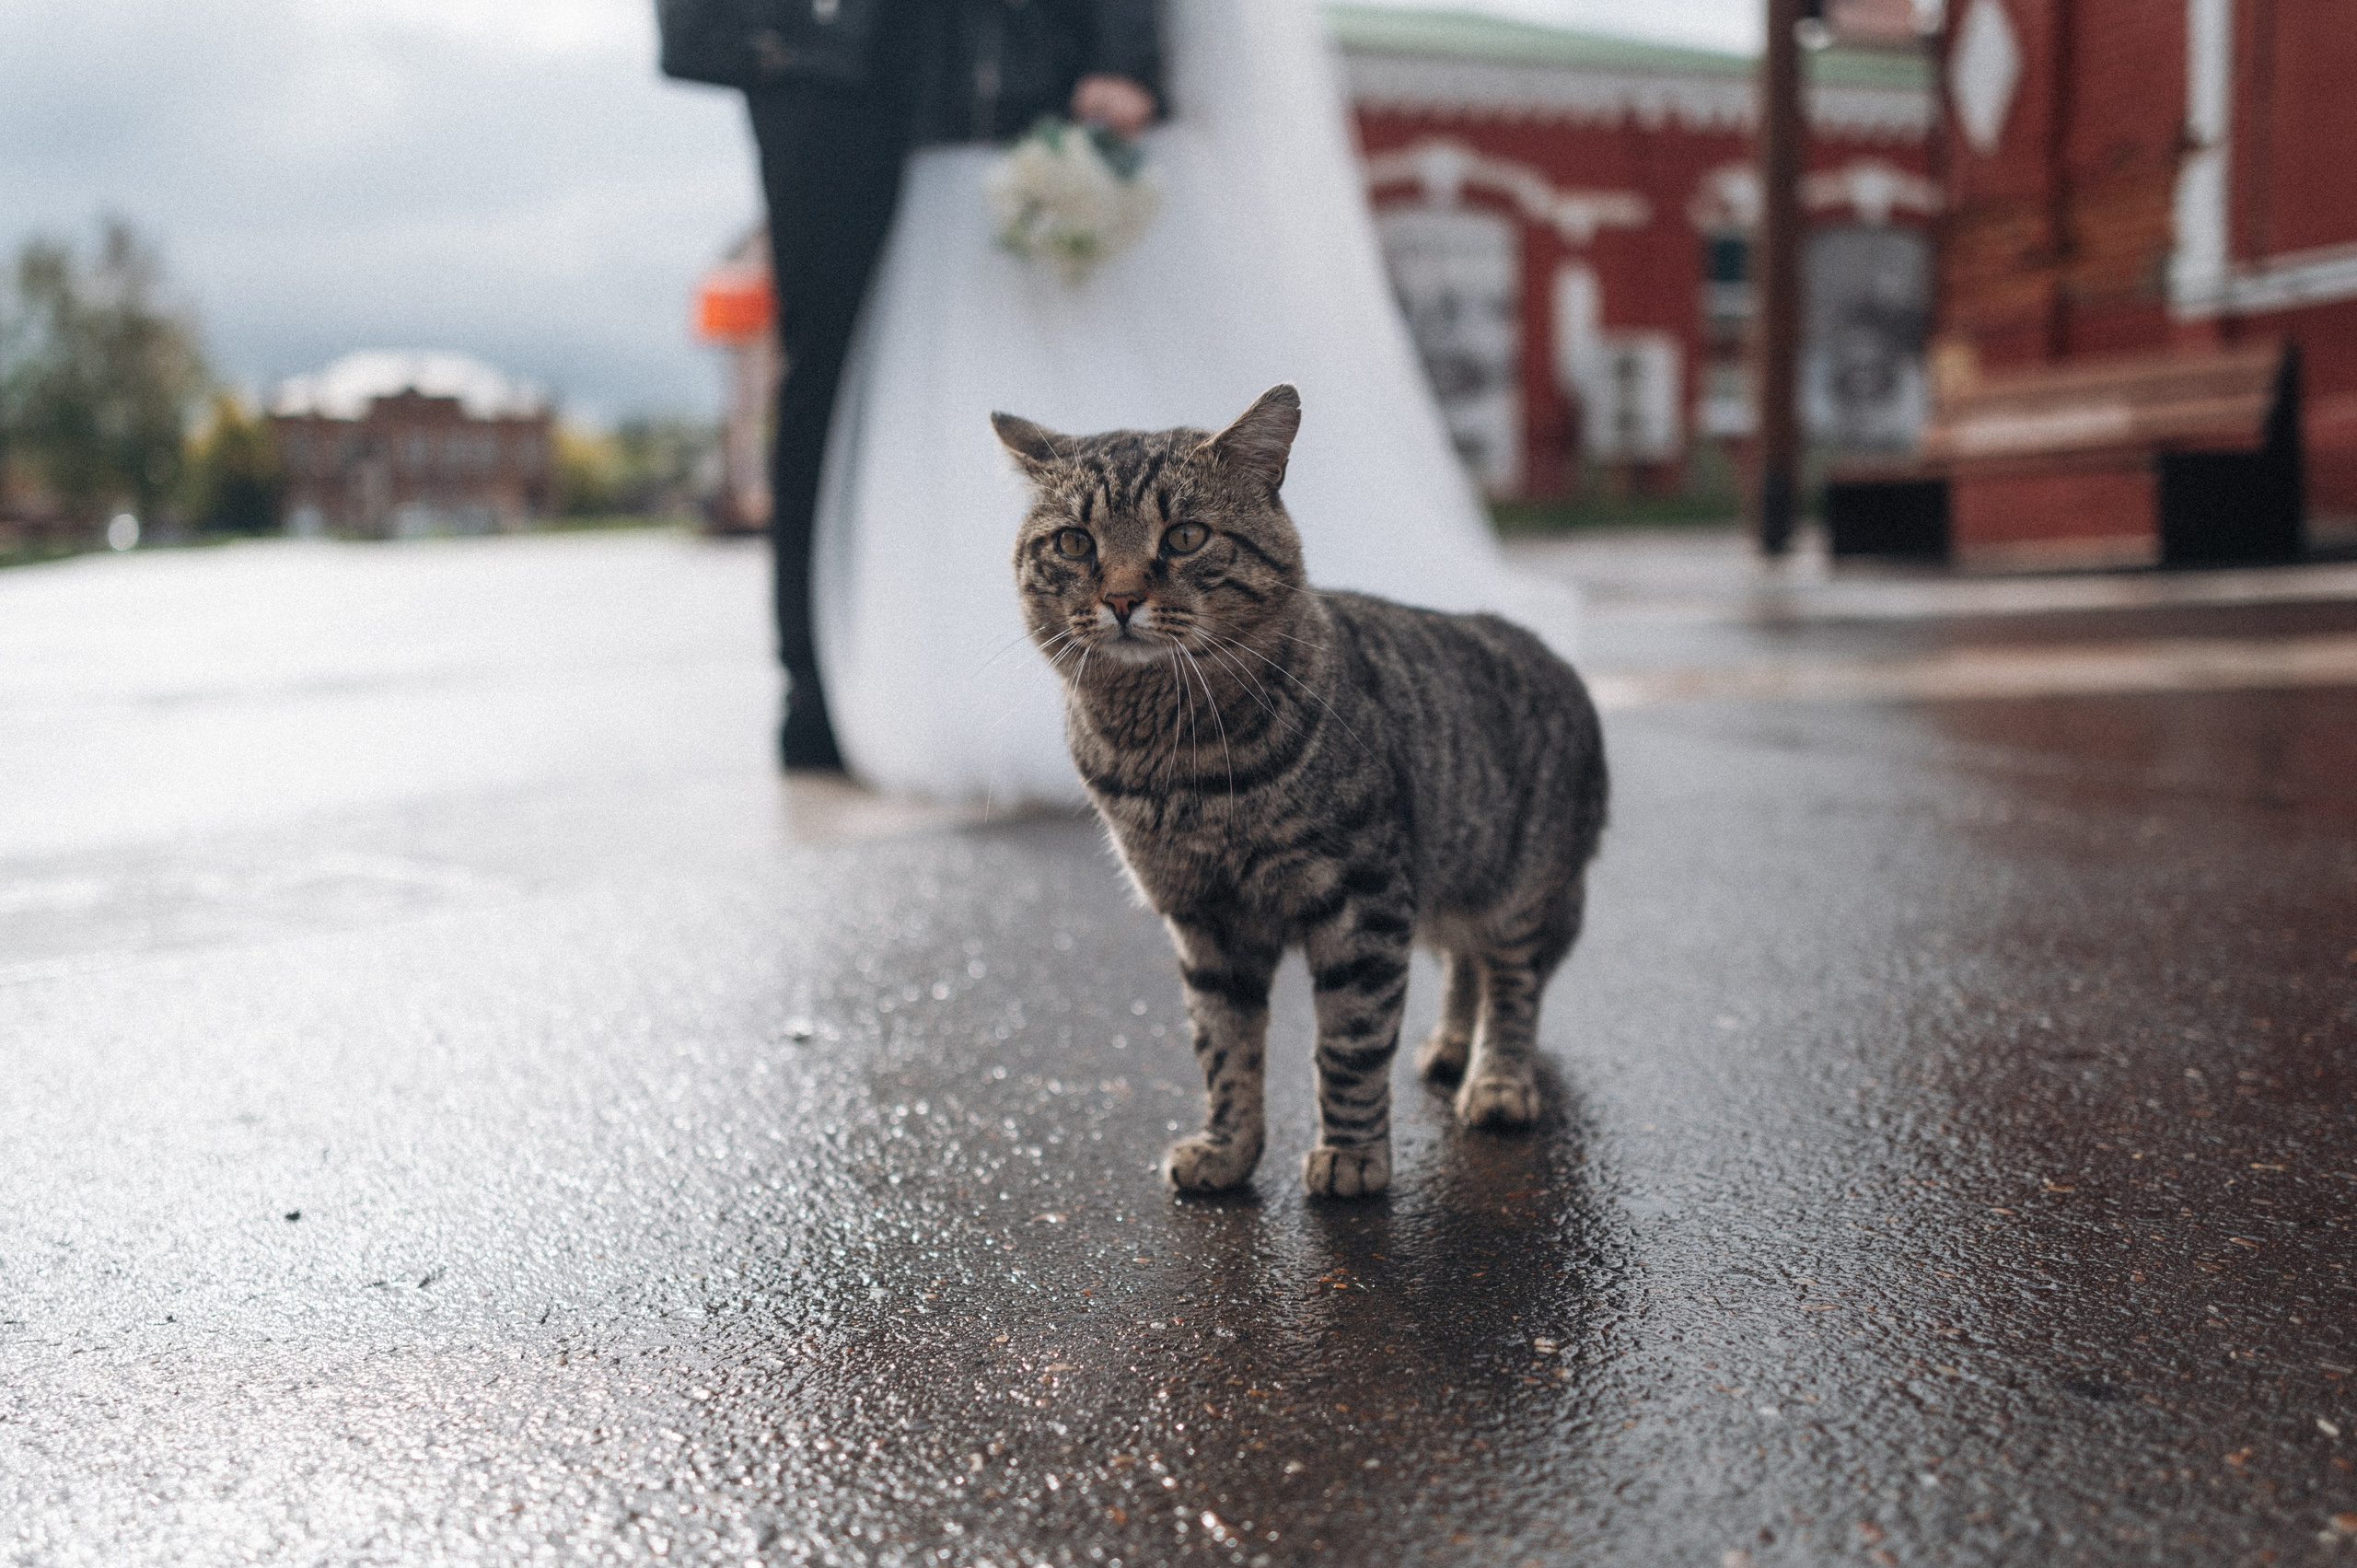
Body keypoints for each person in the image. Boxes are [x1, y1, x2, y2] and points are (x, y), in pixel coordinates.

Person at [809, 0, 1585, 804]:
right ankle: (981, 695)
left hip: (1073, 105)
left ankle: (1227, 702)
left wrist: (1125, 60)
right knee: (969, 442)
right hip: (943, 138)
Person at [656, 0, 1161, 768]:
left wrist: (1121, 51)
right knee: (831, 356)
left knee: (992, 347)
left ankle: (1020, 674)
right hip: (811, 44)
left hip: (961, 53)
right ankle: (821, 683)